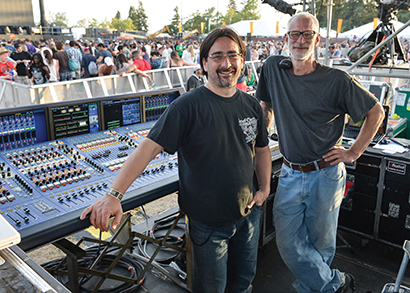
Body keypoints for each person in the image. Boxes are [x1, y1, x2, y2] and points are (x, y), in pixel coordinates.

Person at [80, 27, 271, 293]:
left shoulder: (251, 105)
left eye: (232, 55)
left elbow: (261, 149)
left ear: (241, 59)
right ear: (204, 63)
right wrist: (114, 194)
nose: (226, 64)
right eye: (217, 56)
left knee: (243, 283)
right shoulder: (186, 106)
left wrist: (264, 189)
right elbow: (146, 149)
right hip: (208, 224)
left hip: (249, 213)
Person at [255, 12, 385, 293]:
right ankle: (336, 283)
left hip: (325, 175)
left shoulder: (337, 80)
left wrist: (353, 152)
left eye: (307, 34)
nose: (300, 40)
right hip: (289, 173)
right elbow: (265, 105)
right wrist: (259, 134)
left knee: (320, 246)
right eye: (294, 34)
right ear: (285, 38)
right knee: (288, 242)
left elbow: (376, 112)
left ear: (318, 38)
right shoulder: (272, 67)